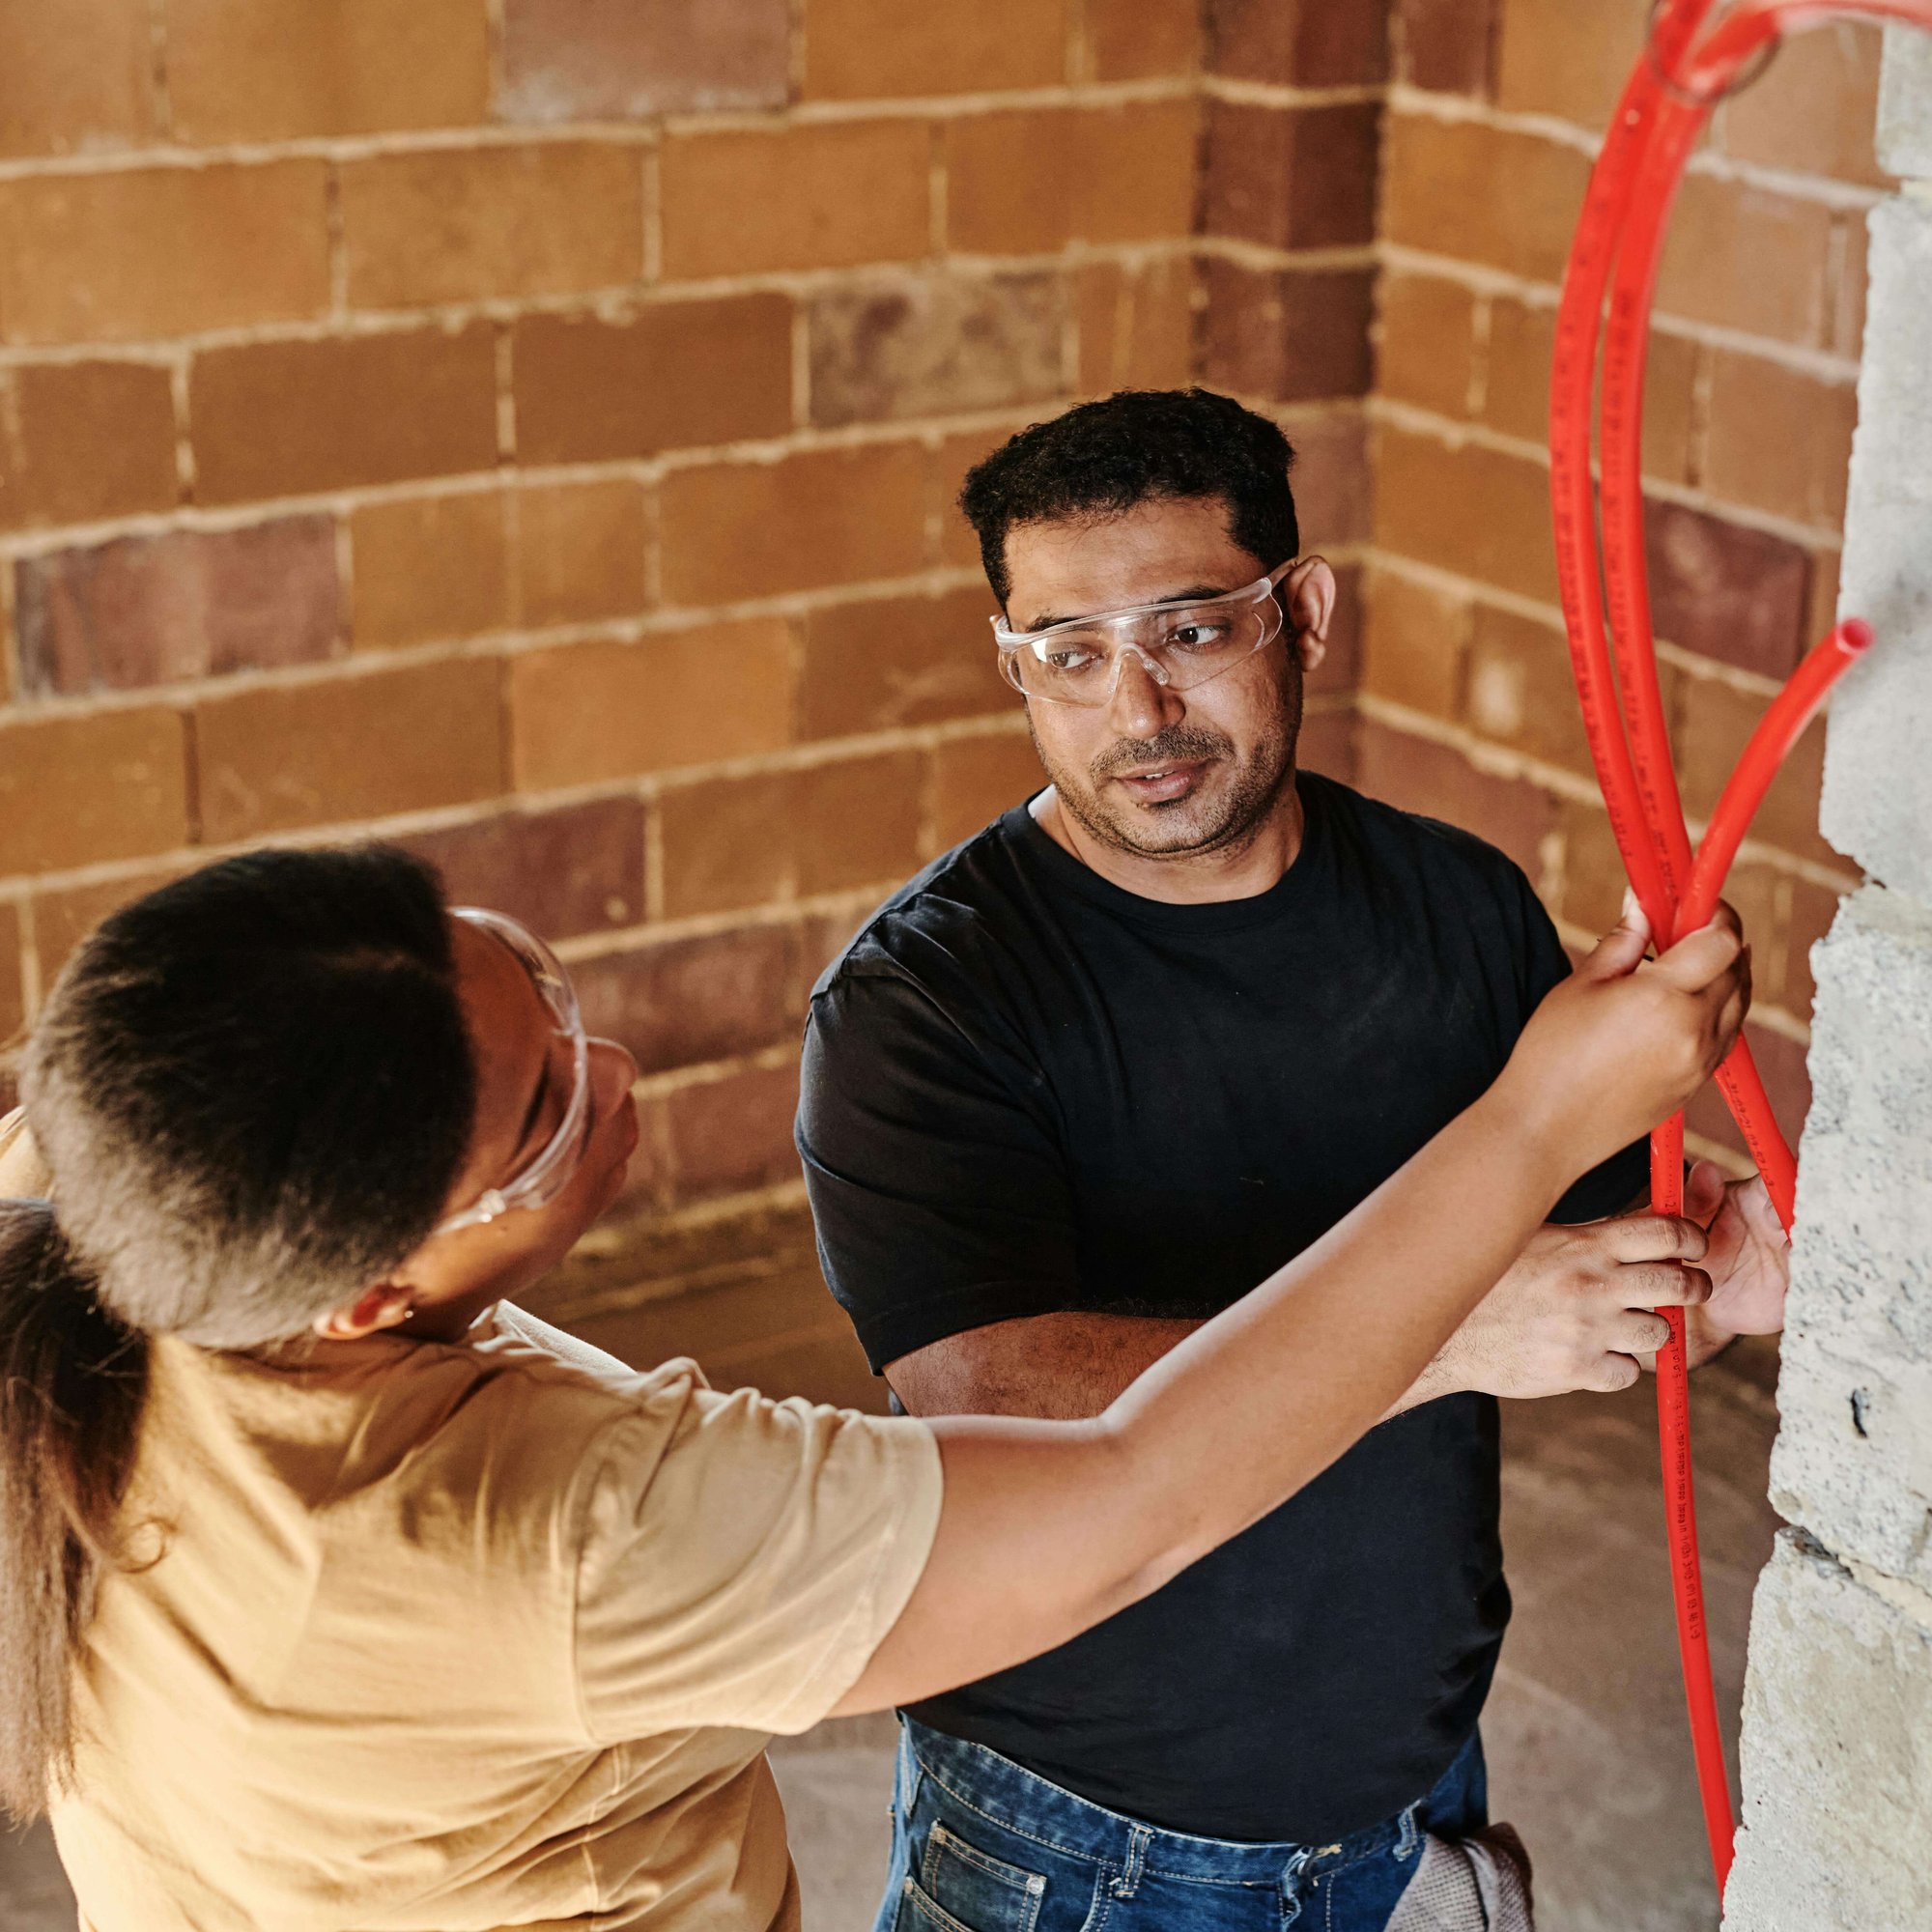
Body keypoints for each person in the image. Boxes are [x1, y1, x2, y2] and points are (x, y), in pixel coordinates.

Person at [0, 841, 1742, 1932]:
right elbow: (1136, 1501)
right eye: (542, 1116)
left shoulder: (101, 1200)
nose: (607, 1063)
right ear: (369, 1285)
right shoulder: (559, 1539)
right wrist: (1528, 1132)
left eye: (528, 963)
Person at [796, 387, 1790, 1931]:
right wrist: (1461, 1328)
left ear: (1301, 613)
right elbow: (989, 1400)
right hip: (1087, 1839)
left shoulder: (1458, 909)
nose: (1137, 711)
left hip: (1411, 1787)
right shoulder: (922, 1002)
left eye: (1191, 630)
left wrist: (1733, 1276)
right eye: (1067, 654)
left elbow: (1591, 1289)